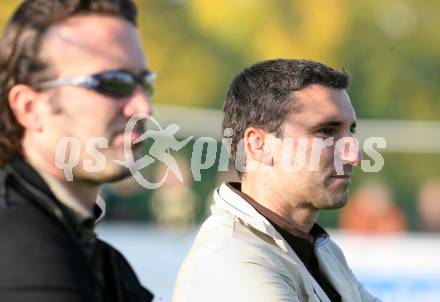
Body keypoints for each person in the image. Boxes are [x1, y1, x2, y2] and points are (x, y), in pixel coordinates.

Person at [173, 59, 383, 302]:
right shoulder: (233, 257)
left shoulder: (319, 249)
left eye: (351, 132)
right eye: (326, 132)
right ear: (258, 145)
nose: (354, 155)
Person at [0, 0, 154, 301]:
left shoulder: (98, 256)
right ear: (30, 108)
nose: (143, 107)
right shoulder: (20, 249)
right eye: (113, 82)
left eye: (143, 83)